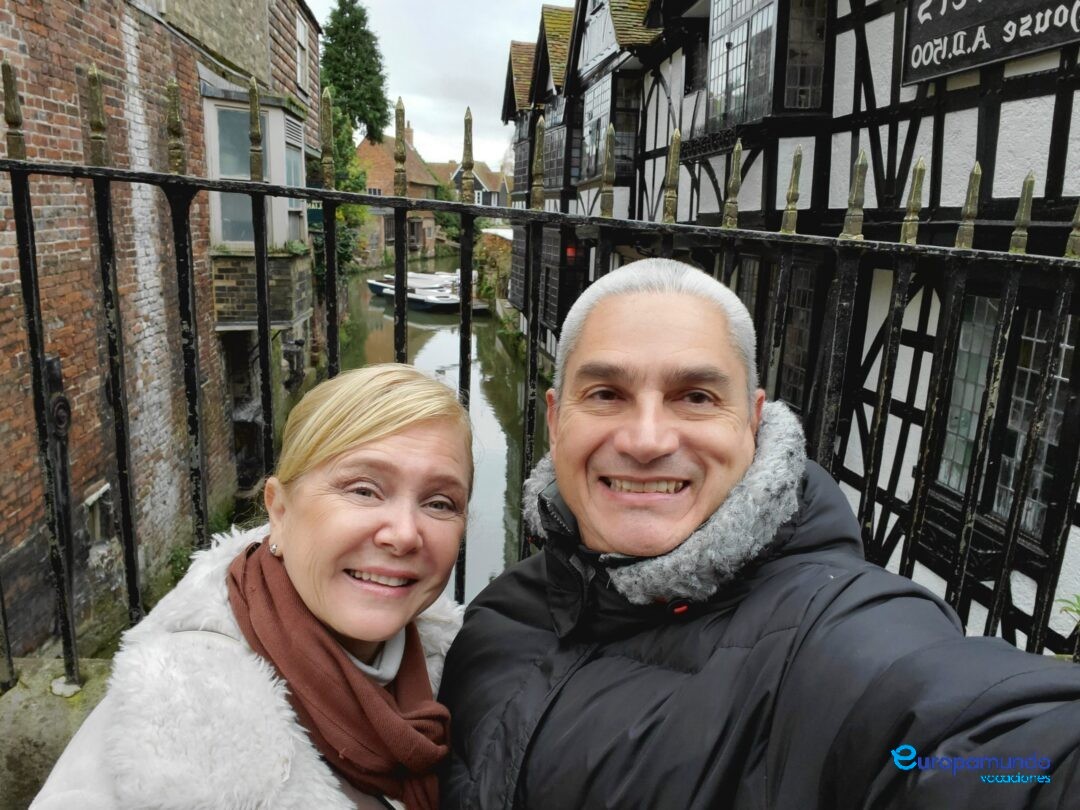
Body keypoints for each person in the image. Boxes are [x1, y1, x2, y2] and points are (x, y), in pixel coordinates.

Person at [438, 259, 1080, 809]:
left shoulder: (832, 633)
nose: (645, 440)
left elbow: (981, 755)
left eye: (695, 397)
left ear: (751, 419)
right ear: (555, 420)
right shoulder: (500, 614)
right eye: (606, 393)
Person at [34, 363, 472, 810]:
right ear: (279, 511)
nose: (403, 534)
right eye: (363, 490)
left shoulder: (465, 674)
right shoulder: (161, 722)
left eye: (440, 502)